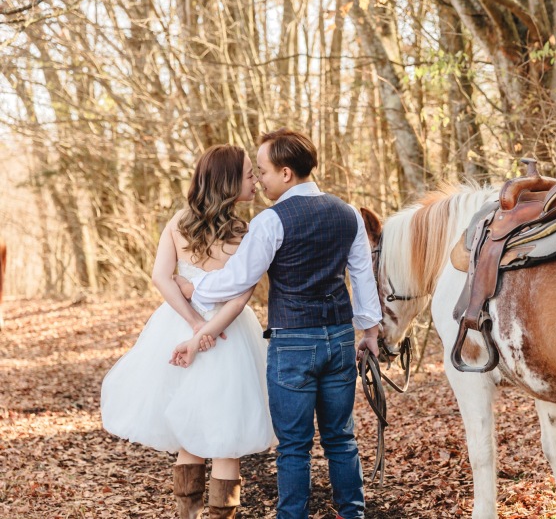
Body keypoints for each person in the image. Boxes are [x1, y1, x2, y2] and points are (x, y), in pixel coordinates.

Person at [173, 128, 381, 519]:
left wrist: (193, 283)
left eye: (264, 170)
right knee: (342, 439)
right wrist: (369, 333)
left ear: (286, 173)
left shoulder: (271, 221)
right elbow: (362, 278)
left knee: (294, 446)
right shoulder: (349, 213)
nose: (260, 180)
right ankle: (353, 514)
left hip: (293, 344)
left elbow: (238, 280)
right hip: (338, 337)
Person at [101, 145, 275, 519]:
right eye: (248, 174)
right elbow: (239, 299)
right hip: (227, 334)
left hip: (179, 326)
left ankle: (188, 516)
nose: (256, 180)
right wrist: (205, 330)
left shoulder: (179, 223)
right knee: (227, 441)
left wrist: (195, 326)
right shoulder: (245, 233)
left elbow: (162, 278)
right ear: (229, 181)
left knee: (190, 435)